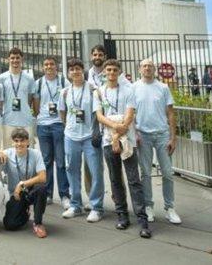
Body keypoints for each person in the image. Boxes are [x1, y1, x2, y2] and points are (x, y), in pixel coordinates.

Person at [96, 59, 151, 238]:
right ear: (104, 72)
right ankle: (122, 215)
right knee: (115, 180)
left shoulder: (128, 90)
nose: (111, 73)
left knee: (134, 180)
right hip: (107, 141)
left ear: (119, 72)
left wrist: (118, 133)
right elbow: (99, 116)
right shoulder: (99, 92)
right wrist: (114, 128)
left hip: (127, 141)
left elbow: (129, 116)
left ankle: (142, 219)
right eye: (108, 70)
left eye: (114, 70)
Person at [134, 58, 181, 225]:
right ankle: (148, 206)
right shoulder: (134, 88)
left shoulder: (163, 87)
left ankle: (170, 208)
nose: (147, 68)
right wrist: (135, 133)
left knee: (168, 173)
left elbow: (171, 113)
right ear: (139, 69)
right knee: (145, 174)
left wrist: (173, 137)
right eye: (144, 66)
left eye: (150, 66)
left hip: (162, 135)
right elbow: (130, 113)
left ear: (154, 69)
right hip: (143, 136)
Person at [60, 58, 104, 222]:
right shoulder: (65, 92)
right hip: (71, 136)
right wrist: (68, 127)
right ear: (68, 73)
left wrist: (95, 131)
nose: (75, 72)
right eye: (72, 69)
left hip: (89, 137)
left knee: (95, 172)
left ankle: (96, 207)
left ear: (82, 70)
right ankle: (76, 205)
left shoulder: (93, 89)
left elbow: (98, 112)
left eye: (78, 69)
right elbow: (62, 113)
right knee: (72, 170)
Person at [33, 56, 70, 209]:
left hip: (58, 124)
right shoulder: (39, 83)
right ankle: (48, 193)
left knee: (61, 161)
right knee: (46, 161)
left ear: (57, 66)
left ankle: (64, 195)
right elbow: (35, 104)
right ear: (43, 67)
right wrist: (40, 117)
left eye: (52, 64)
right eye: (46, 64)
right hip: (43, 126)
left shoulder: (64, 82)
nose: (49, 66)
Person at [1, 128, 48, 238]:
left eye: (22, 141)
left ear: (28, 142)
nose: (19, 144)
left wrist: (22, 184)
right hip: (17, 195)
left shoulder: (36, 154)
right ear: (12, 142)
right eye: (16, 141)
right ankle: (25, 213)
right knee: (9, 225)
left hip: (31, 190)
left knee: (41, 188)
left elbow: (43, 177)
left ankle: (38, 223)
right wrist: (0, 153)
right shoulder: (7, 154)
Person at [0, 47, 37, 148]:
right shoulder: (2, 78)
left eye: (17, 58)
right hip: (8, 120)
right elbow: (0, 99)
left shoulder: (29, 78)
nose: (15, 60)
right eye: (12, 58)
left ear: (22, 59)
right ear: (8, 59)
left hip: (26, 120)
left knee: (28, 150)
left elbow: (30, 98)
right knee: (8, 151)